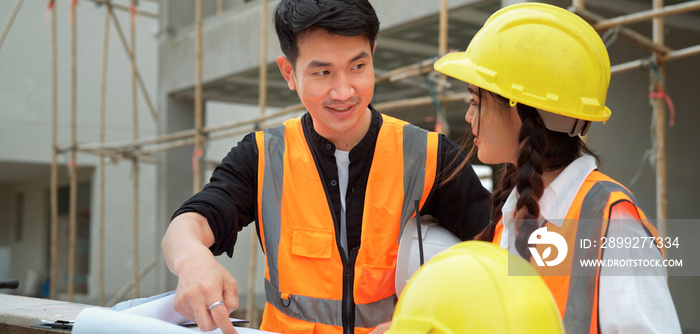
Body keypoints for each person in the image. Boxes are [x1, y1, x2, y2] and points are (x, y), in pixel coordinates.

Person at [161, 1, 491, 333]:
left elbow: (507, 258)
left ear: (373, 54)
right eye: (323, 72)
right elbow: (191, 221)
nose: (344, 91)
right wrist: (193, 259)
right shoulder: (263, 156)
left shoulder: (428, 156)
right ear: (289, 73)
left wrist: (429, 322)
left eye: (358, 66)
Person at [434, 3, 681, 333]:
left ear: (518, 109)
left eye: (476, 101)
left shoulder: (611, 220)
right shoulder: (511, 217)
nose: (468, 116)